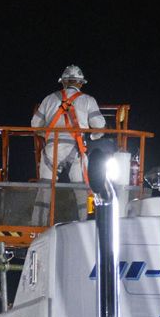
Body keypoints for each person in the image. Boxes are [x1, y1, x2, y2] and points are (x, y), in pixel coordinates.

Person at [30, 65, 106, 224]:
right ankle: (85, 224)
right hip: (76, 149)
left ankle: (37, 228)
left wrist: (47, 136)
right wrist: (92, 136)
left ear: (63, 82)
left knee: (44, 190)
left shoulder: (49, 99)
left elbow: (35, 124)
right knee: (81, 191)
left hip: (52, 149)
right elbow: (100, 125)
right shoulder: (87, 100)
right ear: (80, 83)